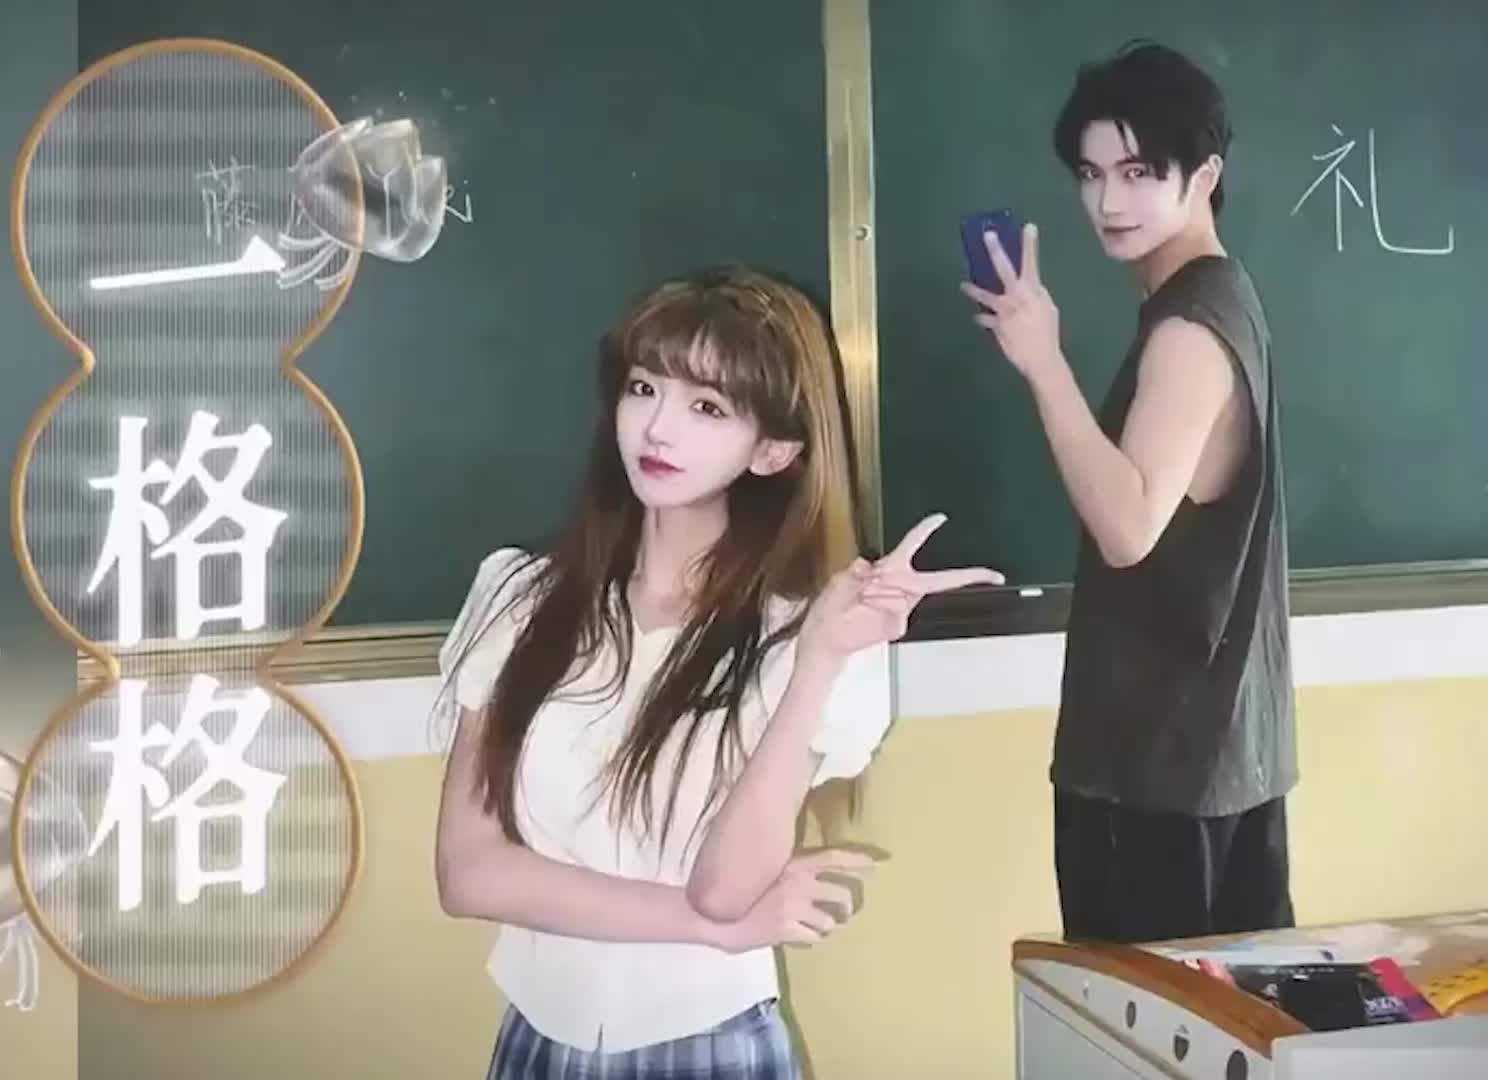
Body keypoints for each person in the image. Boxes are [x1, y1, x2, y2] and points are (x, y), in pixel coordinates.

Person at [433, 266, 1001, 1078]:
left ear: (773, 450)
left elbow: (726, 890)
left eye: (707, 408)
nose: (658, 429)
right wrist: (708, 929)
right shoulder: (518, 597)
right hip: (536, 1042)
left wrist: (818, 663)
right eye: (643, 388)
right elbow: (468, 872)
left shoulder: (808, 633)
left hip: (712, 1049)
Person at [961, 41, 1296, 946]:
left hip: (1157, 776)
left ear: (1205, 175)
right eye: (1091, 173)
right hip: (1208, 763)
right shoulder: (1219, 301)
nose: (1109, 201)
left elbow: (1129, 526)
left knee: (1141, 1019)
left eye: (1140, 172)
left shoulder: (1190, 328)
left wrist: (1043, 363)